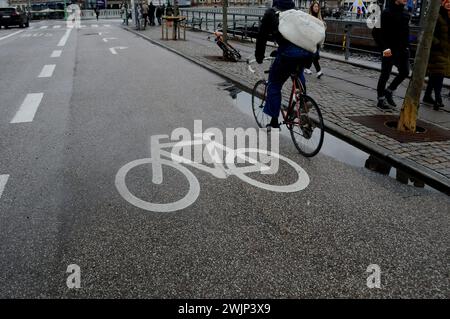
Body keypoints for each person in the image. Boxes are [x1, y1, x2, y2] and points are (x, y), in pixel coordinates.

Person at [255, 0, 314, 129]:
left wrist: (259, 56)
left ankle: (274, 121)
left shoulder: (271, 13)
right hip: (305, 53)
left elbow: (262, 36)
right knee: (297, 73)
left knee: (274, 84)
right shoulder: (297, 12)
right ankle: (302, 100)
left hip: (287, 54)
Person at [376, 0, 410, 111]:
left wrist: (407, 47)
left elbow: (406, 32)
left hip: (402, 50)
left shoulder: (406, 13)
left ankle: (389, 91)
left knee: (405, 72)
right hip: (388, 49)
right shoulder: (386, 13)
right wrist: (385, 49)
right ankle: (381, 99)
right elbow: (376, 33)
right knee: (385, 74)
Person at [423, 0, 450, 111]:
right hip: (437, 51)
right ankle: (438, 98)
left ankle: (427, 95)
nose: (449, 3)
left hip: (446, 51)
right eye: (446, 1)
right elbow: (428, 32)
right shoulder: (437, 15)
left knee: (436, 74)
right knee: (438, 73)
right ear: (442, 3)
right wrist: (437, 43)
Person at [304, 1, 325, 79]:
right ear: (312, 8)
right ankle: (310, 68)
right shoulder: (309, 16)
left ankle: (314, 70)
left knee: (315, 55)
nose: (316, 8)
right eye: (315, 6)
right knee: (314, 53)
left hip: (318, 39)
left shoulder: (319, 17)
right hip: (311, 38)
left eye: (317, 7)